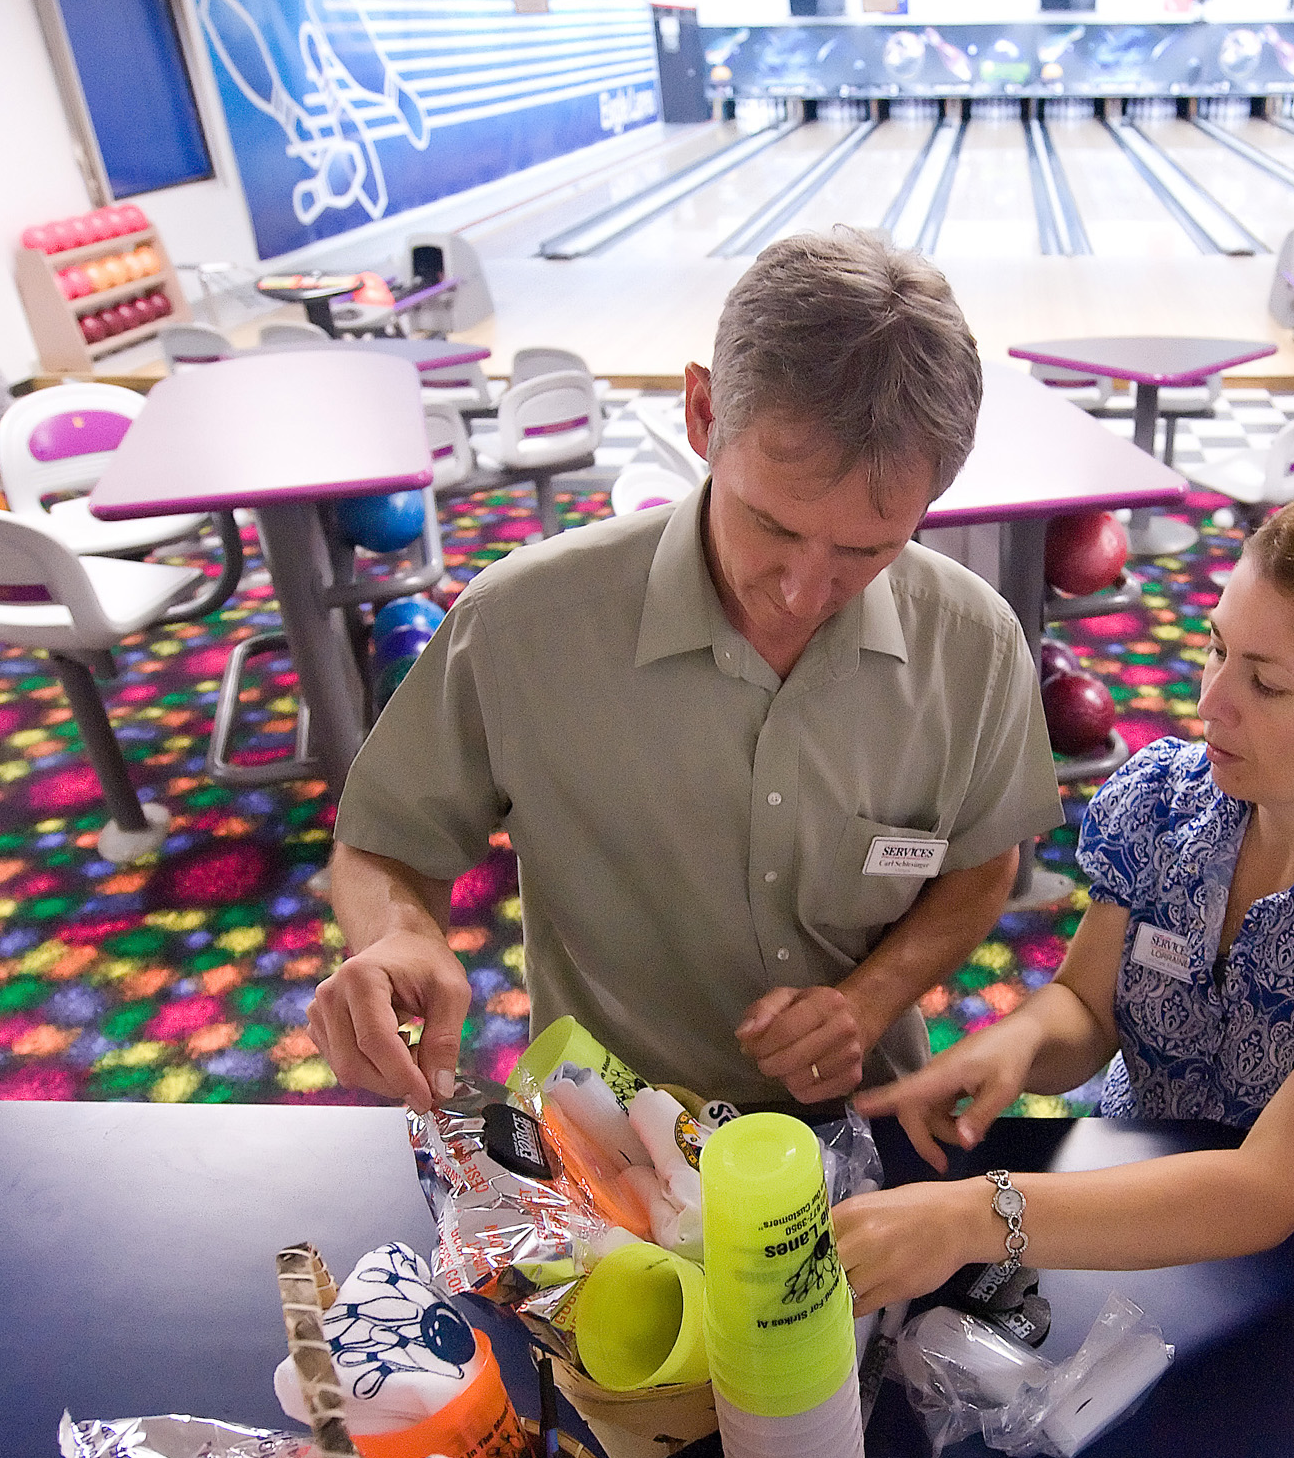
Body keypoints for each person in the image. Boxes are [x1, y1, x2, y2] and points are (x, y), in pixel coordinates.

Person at [310, 229, 1063, 1115]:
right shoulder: (523, 625)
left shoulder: (972, 644)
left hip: (860, 1119)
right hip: (607, 1131)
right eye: (772, 526)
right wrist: (399, 936)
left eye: (869, 548)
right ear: (702, 415)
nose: (802, 591)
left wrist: (869, 1000)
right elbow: (387, 841)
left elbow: (980, 863)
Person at [839, 492, 1294, 1311]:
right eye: (1215, 647)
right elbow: (1087, 1009)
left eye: (1265, 685)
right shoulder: (1163, 798)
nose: (1209, 702)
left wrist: (973, 1216)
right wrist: (1017, 1044)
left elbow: (1268, 1189)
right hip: (1121, 1204)